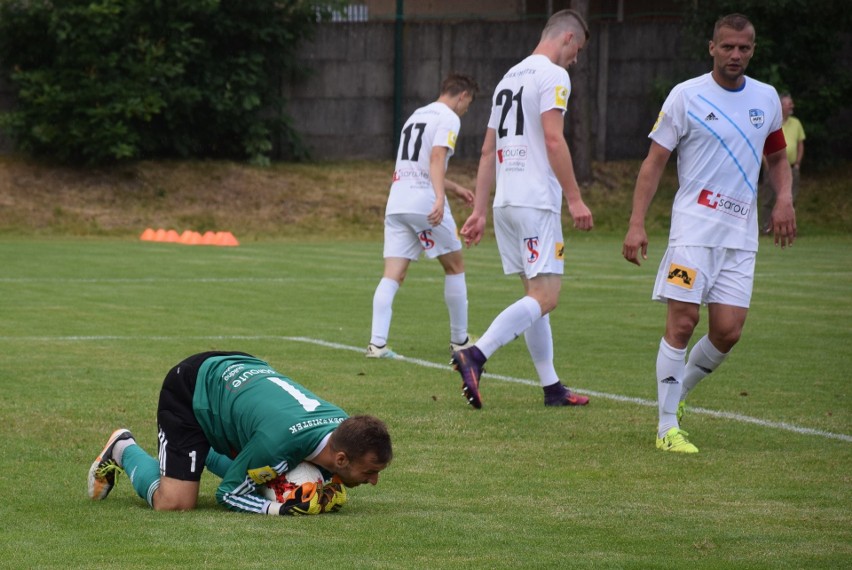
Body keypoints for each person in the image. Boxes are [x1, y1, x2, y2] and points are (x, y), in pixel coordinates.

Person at [621, 14, 797, 453]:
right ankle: (666, 429)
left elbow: (777, 158)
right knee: (683, 322)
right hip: (692, 234)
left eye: (744, 48)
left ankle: (675, 396)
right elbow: (654, 162)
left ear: (752, 50)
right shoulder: (687, 96)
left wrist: (784, 199)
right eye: (727, 47)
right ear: (712, 48)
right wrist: (637, 223)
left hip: (740, 237)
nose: (735, 55)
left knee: (728, 331)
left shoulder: (766, 98)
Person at [451, 9, 594, 409]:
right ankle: (475, 355)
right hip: (535, 201)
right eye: (577, 49)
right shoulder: (553, 75)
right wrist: (575, 197)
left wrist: (479, 210)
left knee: (534, 297)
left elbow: (486, 150)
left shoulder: (508, 78)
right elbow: (553, 139)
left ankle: (552, 389)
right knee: (546, 297)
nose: (575, 59)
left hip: (506, 203)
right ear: (567, 38)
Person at [87, 351, 393, 515]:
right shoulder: (279, 444)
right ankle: (122, 448)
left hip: (243, 380)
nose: (374, 480)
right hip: (194, 389)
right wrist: (279, 509)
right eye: (370, 471)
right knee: (175, 503)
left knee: (270, 471)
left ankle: (196, 458)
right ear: (340, 458)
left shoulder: (340, 426)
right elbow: (228, 495)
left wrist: (327, 484)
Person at [367, 73, 480, 359]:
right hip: (424, 202)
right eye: (469, 103)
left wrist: (451, 188)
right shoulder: (449, 117)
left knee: (393, 274)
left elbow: (416, 164)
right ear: (462, 95)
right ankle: (460, 341)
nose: (466, 110)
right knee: (454, 266)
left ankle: (377, 345)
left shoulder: (415, 116)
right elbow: (436, 158)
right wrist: (440, 197)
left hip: (398, 202)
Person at [760, 92, 805, 232]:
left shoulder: (796, 123)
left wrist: (797, 163)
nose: (792, 106)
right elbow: (762, 144)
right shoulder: (771, 120)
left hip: (791, 168)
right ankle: (766, 227)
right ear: (780, 106)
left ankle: (788, 228)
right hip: (771, 167)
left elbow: (800, 144)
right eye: (789, 103)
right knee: (768, 199)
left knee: (789, 198)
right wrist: (766, 164)